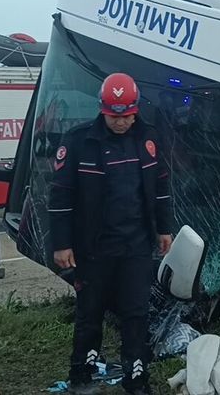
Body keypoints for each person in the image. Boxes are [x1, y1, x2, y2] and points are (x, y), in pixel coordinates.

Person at [49, 73, 174, 395]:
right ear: (103, 110)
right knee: (90, 313)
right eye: (114, 116)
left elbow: (160, 188)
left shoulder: (148, 138)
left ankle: (137, 377)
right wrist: (61, 244)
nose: (120, 122)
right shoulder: (79, 141)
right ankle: (82, 374)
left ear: (135, 110)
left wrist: (164, 229)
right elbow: (60, 196)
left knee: (136, 312)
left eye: (127, 116)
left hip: (136, 244)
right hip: (92, 247)